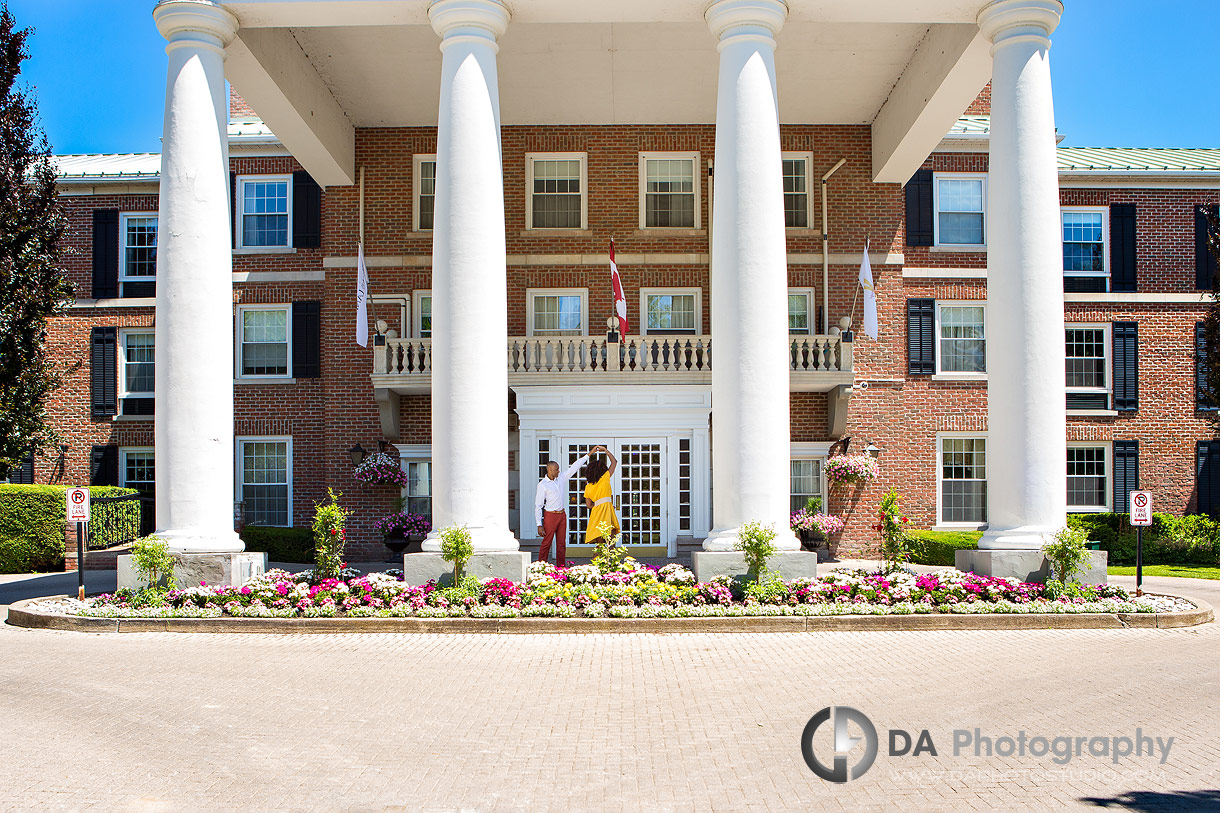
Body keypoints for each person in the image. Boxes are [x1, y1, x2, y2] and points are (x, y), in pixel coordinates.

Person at [534, 447, 597, 565]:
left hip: (562, 515)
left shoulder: (561, 478)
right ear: (550, 470)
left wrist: (589, 454)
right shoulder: (542, 485)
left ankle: (561, 567)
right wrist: (539, 524)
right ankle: (541, 566)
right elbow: (538, 506)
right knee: (547, 542)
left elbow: (574, 467)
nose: (559, 471)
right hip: (550, 515)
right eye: (556, 469)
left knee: (561, 543)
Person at [583, 446, 619, 545]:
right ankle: (610, 560)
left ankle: (597, 560)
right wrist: (605, 450)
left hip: (596, 512)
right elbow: (614, 462)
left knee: (599, 545)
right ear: (602, 469)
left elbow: (588, 505)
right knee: (611, 543)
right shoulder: (605, 478)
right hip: (607, 510)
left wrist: (598, 503)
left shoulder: (588, 486)